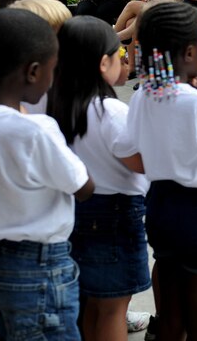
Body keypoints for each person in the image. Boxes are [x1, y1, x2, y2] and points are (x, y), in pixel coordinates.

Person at [0, 8, 94, 339]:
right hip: (40, 268)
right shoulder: (36, 130)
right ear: (33, 71)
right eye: (52, 69)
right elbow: (83, 186)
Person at [116, 2, 197, 340]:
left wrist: (161, 159)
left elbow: (128, 154)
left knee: (169, 311)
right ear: (193, 52)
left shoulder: (143, 96)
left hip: (160, 207)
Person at [47, 17, 149, 341]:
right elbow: (139, 164)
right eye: (119, 53)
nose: (124, 59)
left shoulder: (58, 105)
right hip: (116, 214)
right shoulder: (111, 111)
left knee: (92, 301)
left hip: (80, 209)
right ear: (103, 63)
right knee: (114, 308)